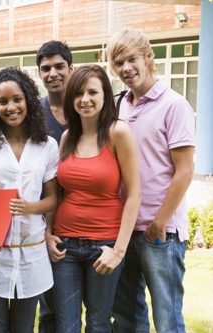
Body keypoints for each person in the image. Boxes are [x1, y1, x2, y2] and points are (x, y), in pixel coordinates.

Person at [107, 29, 196, 333]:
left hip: (160, 231)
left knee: (167, 317)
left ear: (147, 57)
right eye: (118, 62)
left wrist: (159, 222)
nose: (126, 68)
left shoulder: (174, 104)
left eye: (132, 59)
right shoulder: (119, 107)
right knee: (126, 315)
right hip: (124, 227)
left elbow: (184, 171)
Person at [46, 64, 140, 332]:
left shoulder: (118, 132)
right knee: (67, 325)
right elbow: (57, 192)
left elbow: (134, 194)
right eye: (78, 93)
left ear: (105, 96)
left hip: (105, 246)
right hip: (65, 247)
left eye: (92, 92)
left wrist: (118, 251)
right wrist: (49, 233)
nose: (84, 100)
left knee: (98, 323)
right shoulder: (67, 138)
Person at [0, 67, 59, 333]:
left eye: (17, 99)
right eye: (3, 101)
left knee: (23, 327)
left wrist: (32, 207)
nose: (11, 107)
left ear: (28, 101)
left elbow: (53, 198)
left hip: (32, 255)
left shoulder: (47, 146)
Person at [35, 39, 74, 333]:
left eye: (59, 66)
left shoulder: (87, 105)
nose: (53, 73)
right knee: (49, 311)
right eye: (46, 68)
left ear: (71, 68)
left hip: (87, 221)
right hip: (48, 221)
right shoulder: (33, 114)